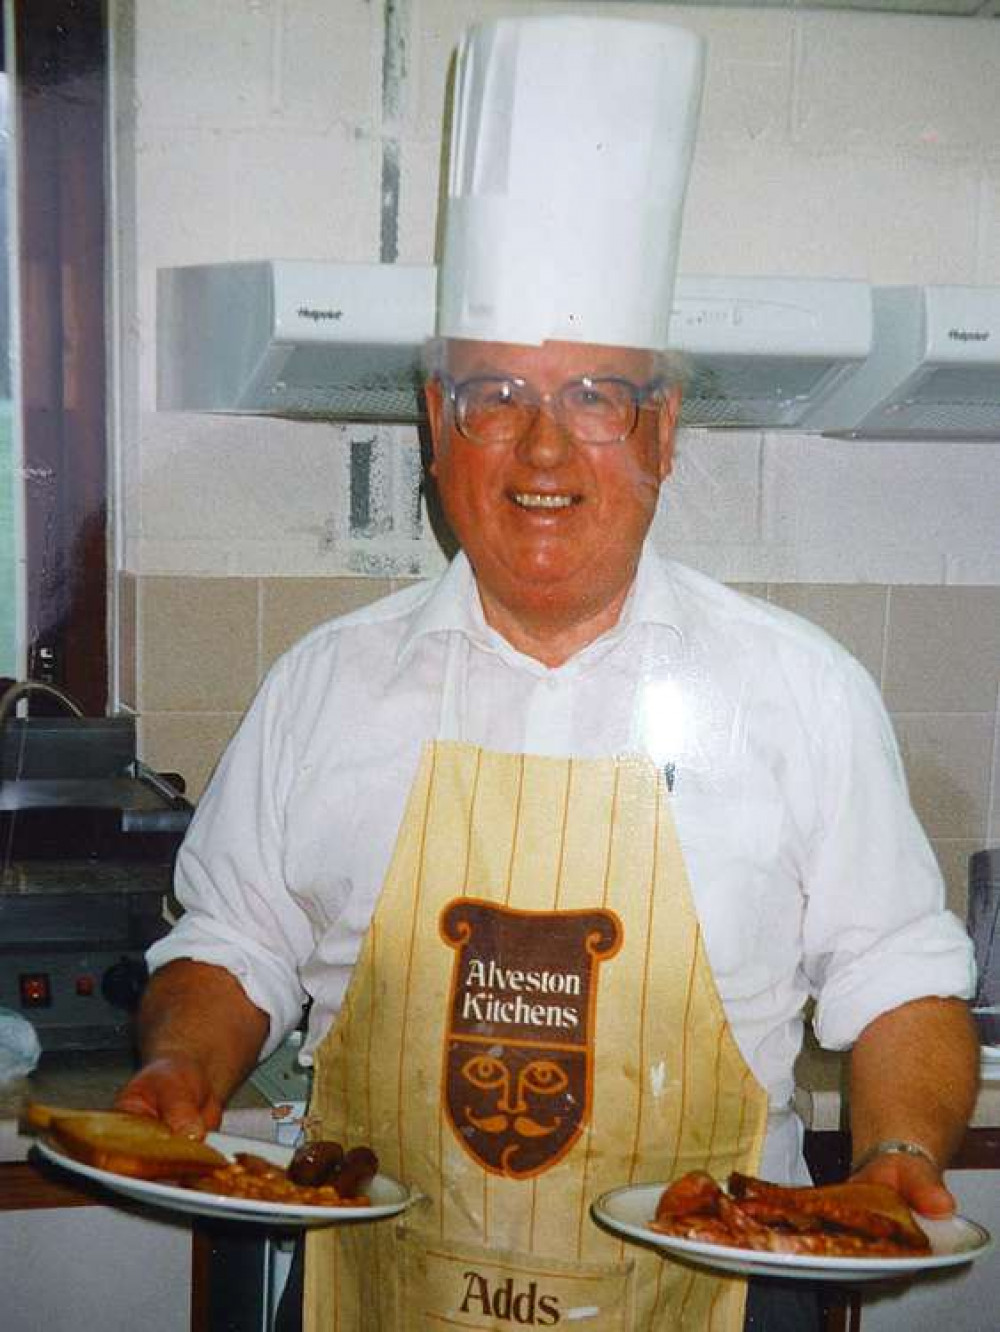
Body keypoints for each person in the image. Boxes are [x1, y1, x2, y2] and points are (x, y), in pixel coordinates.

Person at [117, 15, 978, 1332]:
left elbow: (904, 984)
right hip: (383, 1300)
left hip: (718, 1299)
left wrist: (900, 1157)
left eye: (593, 396)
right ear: (432, 421)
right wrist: (183, 1065)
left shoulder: (800, 693)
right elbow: (232, 946)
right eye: (494, 393)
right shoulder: (324, 687)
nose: (541, 447)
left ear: (663, 431)